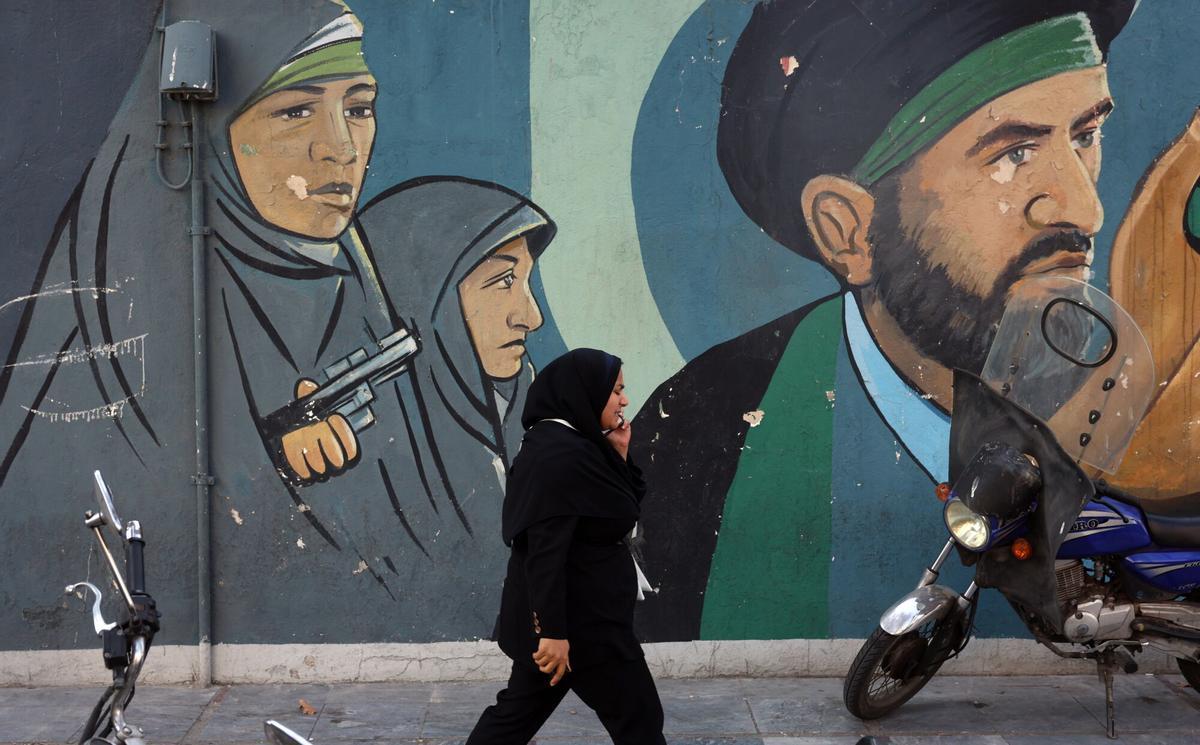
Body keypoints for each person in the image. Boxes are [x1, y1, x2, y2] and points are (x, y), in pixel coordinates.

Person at [630, 0, 1143, 642]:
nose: (1086, 209)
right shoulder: (702, 434)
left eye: (1086, 136)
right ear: (849, 231)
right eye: (1012, 153)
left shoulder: (1134, 395)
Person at [467, 348, 666, 745]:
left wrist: (620, 455)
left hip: (575, 618)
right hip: (580, 623)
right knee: (639, 717)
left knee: (514, 717)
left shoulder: (576, 444)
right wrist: (554, 634)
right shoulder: (559, 457)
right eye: (616, 391)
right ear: (586, 392)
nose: (624, 400)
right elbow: (544, 553)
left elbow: (623, 506)